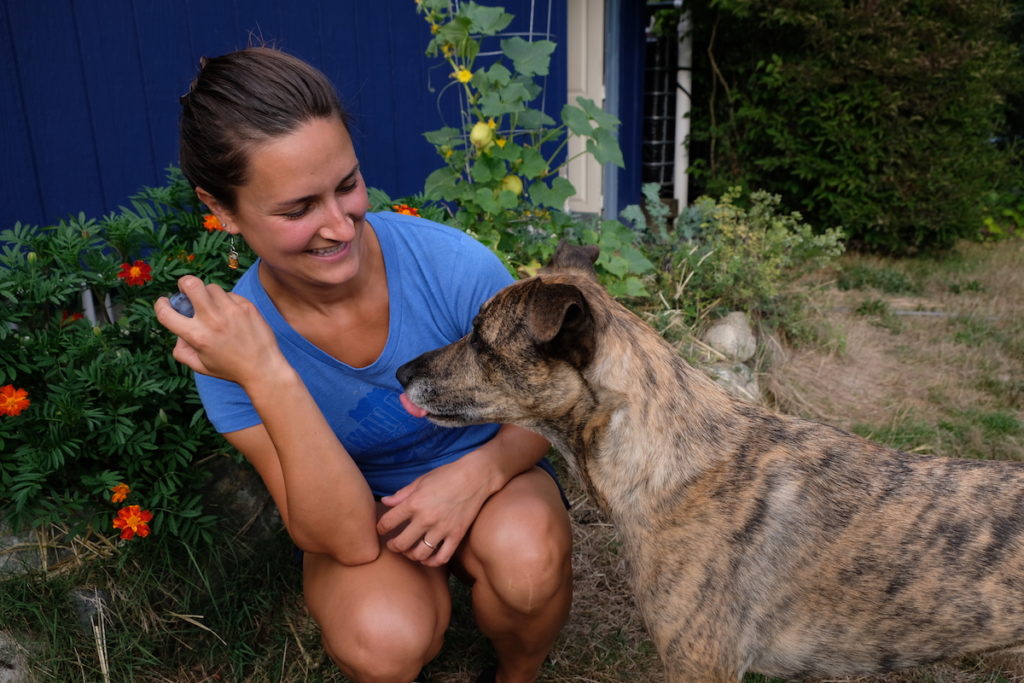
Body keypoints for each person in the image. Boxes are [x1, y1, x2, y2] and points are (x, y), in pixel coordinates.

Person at [154, 47, 573, 683]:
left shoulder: (452, 267)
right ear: (224, 212)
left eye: (347, 185)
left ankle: (518, 673)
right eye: (298, 210)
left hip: (493, 471)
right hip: (362, 515)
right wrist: (268, 375)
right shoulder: (231, 349)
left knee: (529, 563)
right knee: (383, 639)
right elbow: (345, 539)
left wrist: (476, 474)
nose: (340, 226)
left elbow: (553, 403)